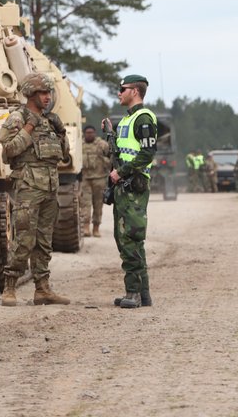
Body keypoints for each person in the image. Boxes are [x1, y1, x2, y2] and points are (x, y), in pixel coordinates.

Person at [0, 73, 70, 307]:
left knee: (44, 241)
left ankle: (42, 289)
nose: (48, 97)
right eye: (43, 93)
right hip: (29, 187)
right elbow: (9, 150)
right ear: (30, 93)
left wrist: (62, 133)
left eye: (49, 93)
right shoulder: (18, 118)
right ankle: (9, 288)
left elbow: (63, 155)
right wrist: (30, 127)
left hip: (50, 187)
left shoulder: (51, 120)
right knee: (23, 239)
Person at [102, 74, 157, 309]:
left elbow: (147, 154)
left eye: (122, 89)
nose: (119, 92)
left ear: (134, 91)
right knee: (125, 238)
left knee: (130, 238)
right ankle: (142, 294)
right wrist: (112, 135)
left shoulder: (144, 118)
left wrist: (120, 172)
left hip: (133, 185)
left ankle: (133, 293)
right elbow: (126, 150)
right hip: (124, 186)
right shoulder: (128, 119)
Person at [79, 125, 112, 237]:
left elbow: (111, 158)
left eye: (92, 132)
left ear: (95, 133)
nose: (90, 134)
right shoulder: (80, 145)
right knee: (85, 205)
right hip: (85, 180)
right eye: (87, 132)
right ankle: (86, 227)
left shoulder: (102, 145)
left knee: (98, 205)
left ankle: (96, 228)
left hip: (100, 179)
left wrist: (105, 162)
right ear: (84, 134)